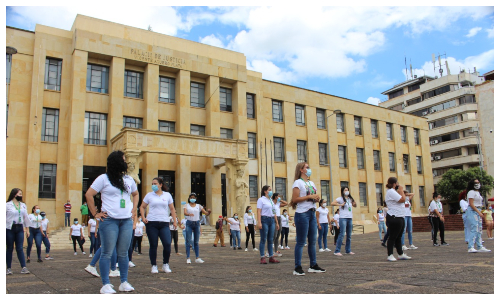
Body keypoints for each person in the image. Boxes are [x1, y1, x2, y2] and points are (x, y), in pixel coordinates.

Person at [85, 150, 139, 294]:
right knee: (107, 252)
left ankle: (124, 282)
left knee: (123, 253)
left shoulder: (128, 179)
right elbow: (89, 194)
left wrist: (134, 209)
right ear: (116, 161)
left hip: (126, 220)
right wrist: (95, 213)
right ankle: (106, 284)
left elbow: (136, 194)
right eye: (123, 159)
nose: (125, 162)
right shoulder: (103, 178)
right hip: (109, 221)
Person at [290, 162, 325, 275]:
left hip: (312, 212)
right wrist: (309, 196)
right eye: (307, 167)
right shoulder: (298, 182)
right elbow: (295, 199)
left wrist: (316, 198)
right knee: (301, 241)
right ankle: (297, 267)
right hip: (302, 214)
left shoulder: (311, 182)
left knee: (312, 241)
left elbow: (313, 195)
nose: (309, 169)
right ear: (301, 170)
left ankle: (313, 265)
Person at [140, 177, 177, 273]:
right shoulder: (149, 195)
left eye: (155, 183)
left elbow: (172, 208)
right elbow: (142, 206)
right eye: (152, 183)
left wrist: (175, 220)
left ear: (160, 185)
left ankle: (166, 264)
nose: (153, 185)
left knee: (167, 243)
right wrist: (143, 218)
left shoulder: (167, 195)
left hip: (164, 223)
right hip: (152, 223)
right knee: (153, 245)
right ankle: (154, 265)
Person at [384, 177, 411, 261]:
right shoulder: (391, 192)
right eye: (397, 183)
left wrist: (400, 192)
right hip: (394, 216)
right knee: (392, 236)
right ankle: (390, 254)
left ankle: (400, 253)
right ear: (394, 184)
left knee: (399, 236)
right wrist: (402, 191)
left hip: (400, 216)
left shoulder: (393, 192)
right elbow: (402, 199)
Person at [6, 188, 31, 275]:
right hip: (10, 228)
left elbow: (26, 218)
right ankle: (8, 268)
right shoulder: (7, 205)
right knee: (9, 248)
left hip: (20, 228)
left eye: (21, 194)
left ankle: (23, 267)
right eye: (19, 194)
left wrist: (27, 229)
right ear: (14, 195)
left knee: (19, 247)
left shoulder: (23, 205)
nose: (21, 195)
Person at [184, 192, 211, 264]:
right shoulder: (186, 205)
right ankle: (188, 258)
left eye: (194, 198)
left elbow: (205, 213)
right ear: (189, 198)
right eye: (191, 198)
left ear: (196, 199)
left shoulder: (198, 206)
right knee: (188, 241)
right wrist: (189, 214)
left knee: (196, 241)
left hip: (196, 223)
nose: (192, 199)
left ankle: (197, 257)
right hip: (189, 223)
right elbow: (185, 213)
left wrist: (209, 212)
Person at [466, 179, 491, 253]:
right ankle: (470, 247)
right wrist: (478, 212)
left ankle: (479, 246)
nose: (477, 184)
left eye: (478, 182)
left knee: (479, 229)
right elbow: (471, 203)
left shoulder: (477, 192)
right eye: (475, 183)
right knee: (474, 228)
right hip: (473, 211)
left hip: (478, 210)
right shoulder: (471, 192)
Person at [257, 185, 280, 264]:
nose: (271, 191)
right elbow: (259, 211)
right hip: (264, 219)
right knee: (263, 239)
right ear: (265, 191)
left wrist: (277, 222)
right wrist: (259, 222)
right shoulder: (261, 200)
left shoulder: (271, 200)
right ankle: (262, 257)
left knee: (271, 239)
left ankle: (271, 256)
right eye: (269, 190)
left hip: (271, 220)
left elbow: (274, 212)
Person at [334, 187, 356, 256]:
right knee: (342, 234)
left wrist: (354, 204)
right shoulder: (340, 199)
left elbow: (354, 205)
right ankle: (337, 250)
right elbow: (333, 203)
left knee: (349, 235)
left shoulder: (350, 199)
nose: (347, 191)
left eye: (347, 190)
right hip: (343, 217)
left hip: (349, 217)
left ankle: (348, 250)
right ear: (343, 191)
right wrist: (340, 205)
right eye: (345, 190)